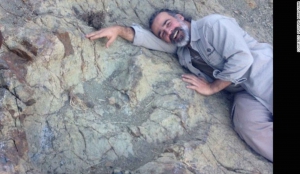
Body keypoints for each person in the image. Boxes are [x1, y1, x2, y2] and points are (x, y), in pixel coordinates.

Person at [86, 9, 273, 162]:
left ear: (180, 17)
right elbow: (145, 38)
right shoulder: (182, 50)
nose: (169, 32)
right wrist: (118, 30)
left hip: (265, 72)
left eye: (168, 24)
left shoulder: (213, 25)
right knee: (247, 124)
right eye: (163, 33)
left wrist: (212, 88)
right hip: (244, 93)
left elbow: (243, 59)